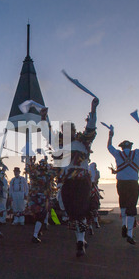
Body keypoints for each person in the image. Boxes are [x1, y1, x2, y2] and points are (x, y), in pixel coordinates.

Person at [40, 97, 99, 257]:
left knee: (80, 211)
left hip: (82, 182)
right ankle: (80, 240)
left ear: (74, 131)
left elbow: (90, 128)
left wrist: (93, 109)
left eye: (70, 130)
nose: (67, 133)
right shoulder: (59, 144)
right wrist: (43, 117)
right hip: (67, 182)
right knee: (72, 212)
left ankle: (80, 241)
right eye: (64, 131)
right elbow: (46, 133)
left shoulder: (83, 142)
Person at [107, 125, 139, 245]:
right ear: (131, 146)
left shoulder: (117, 154)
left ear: (122, 148)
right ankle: (130, 234)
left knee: (123, 203)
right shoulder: (137, 153)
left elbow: (109, 147)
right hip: (133, 183)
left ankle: (123, 225)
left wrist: (110, 136)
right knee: (131, 207)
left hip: (121, 183)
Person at [26, 156, 57, 243]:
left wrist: (31, 163)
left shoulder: (34, 175)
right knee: (41, 217)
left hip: (34, 199)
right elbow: (55, 172)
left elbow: (29, 170)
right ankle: (35, 235)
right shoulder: (47, 176)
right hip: (42, 199)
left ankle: (38, 232)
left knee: (37, 216)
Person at [88, 162, 102, 232]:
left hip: (87, 192)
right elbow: (97, 179)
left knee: (88, 210)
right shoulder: (97, 172)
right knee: (95, 208)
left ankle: (90, 225)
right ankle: (96, 221)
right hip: (94, 192)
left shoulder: (87, 172)